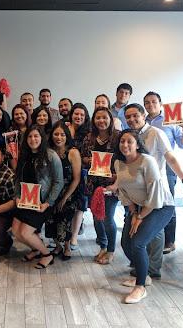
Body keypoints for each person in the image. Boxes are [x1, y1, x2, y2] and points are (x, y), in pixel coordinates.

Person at [124, 103, 183, 279]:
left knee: (155, 232)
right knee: (132, 237)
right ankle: (143, 264)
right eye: (128, 117)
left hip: (156, 191)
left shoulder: (156, 133)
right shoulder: (131, 136)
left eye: (135, 115)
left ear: (144, 116)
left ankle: (152, 269)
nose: (131, 119)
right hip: (137, 192)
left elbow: (171, 158)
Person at [114, 130, 174, 304]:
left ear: (138, 144)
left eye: (129, 142)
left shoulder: (147, 161)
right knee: (126, 242)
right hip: (139, 207)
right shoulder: (119, 163)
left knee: (138, 243)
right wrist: (133, 213)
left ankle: (140, 287)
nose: (125, 145)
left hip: (161, 206)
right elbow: (123, 191)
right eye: (122, 141)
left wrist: (139, 217)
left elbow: (155, 197)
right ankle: (144, 273)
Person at [144, 91, 183, 254]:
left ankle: (169, 241)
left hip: (168, 168)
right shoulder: (142, 121)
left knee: (167, 203)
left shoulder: (171, 120)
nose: (151, 105)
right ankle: (152, 237)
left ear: (160, 103)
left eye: (154, 102)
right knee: (150, 202)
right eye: (147, 103)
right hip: (147, 168)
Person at [12, 125, 63, 269]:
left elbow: (58, 182)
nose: (33, 139)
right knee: (16, 231)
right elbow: (18, 179)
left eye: (36, 136)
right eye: (29, 136)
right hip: (25, 200)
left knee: (25, 232)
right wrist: (17, 196)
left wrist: (48, 203)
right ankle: (35, 249)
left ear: (42, 138)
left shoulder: (51, 155)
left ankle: (47, 254)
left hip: (43, 202)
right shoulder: (24, 156)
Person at [81, 107, 120, 264]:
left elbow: (124, 159)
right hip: (93, 184)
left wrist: (117, 179)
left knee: (108, 217)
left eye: (104, 117)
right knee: (97, 217)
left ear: (110, 119)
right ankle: (103, 246)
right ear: (93, 120)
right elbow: (83, 157)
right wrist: (88, 161)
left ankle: (111, 250)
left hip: (110, 184)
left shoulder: (118, 137)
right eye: (98, 118)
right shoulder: (89, 138)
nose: (101, 121)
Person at [45, 121, 81, 261]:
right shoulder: (49, 151)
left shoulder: (73, 152)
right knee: (50, 219)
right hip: (52, 192)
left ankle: (66, 246)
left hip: (69, 192)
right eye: (56, 134)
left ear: (66, 136)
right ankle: (57, 245)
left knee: (64, 220)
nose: (58, 137)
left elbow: (76, 179)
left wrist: (65, 197)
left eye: (62, 134)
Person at [67, 103, 91, 250]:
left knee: (80, 206)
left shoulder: (88, 133)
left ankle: (74, 237)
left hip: (82, 173)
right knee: (67, 204)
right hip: (65, 172)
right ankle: (63, 236)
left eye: (82, 115)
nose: (79, 117)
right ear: (71, 115)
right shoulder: (64, 129)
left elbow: (89, 155)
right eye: (76, 114)